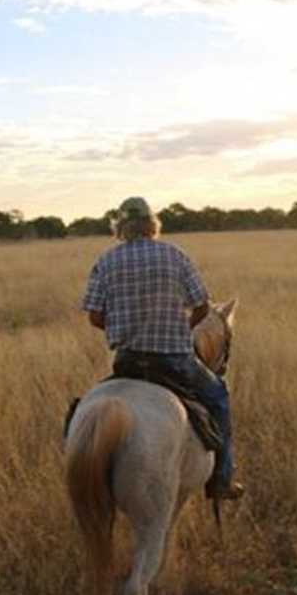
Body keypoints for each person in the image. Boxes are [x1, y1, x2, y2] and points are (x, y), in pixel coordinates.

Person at [81, 196, 244, 500]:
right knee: (218, 396)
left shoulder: (106, 260)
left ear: (121, 226)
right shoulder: (175, 255)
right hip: (176, 360)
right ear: (152, 224)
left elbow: (94, 316)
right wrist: (180, 330)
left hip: (127, 361)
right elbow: (201, 307)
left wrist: (123, 329)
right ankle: (222, 478)